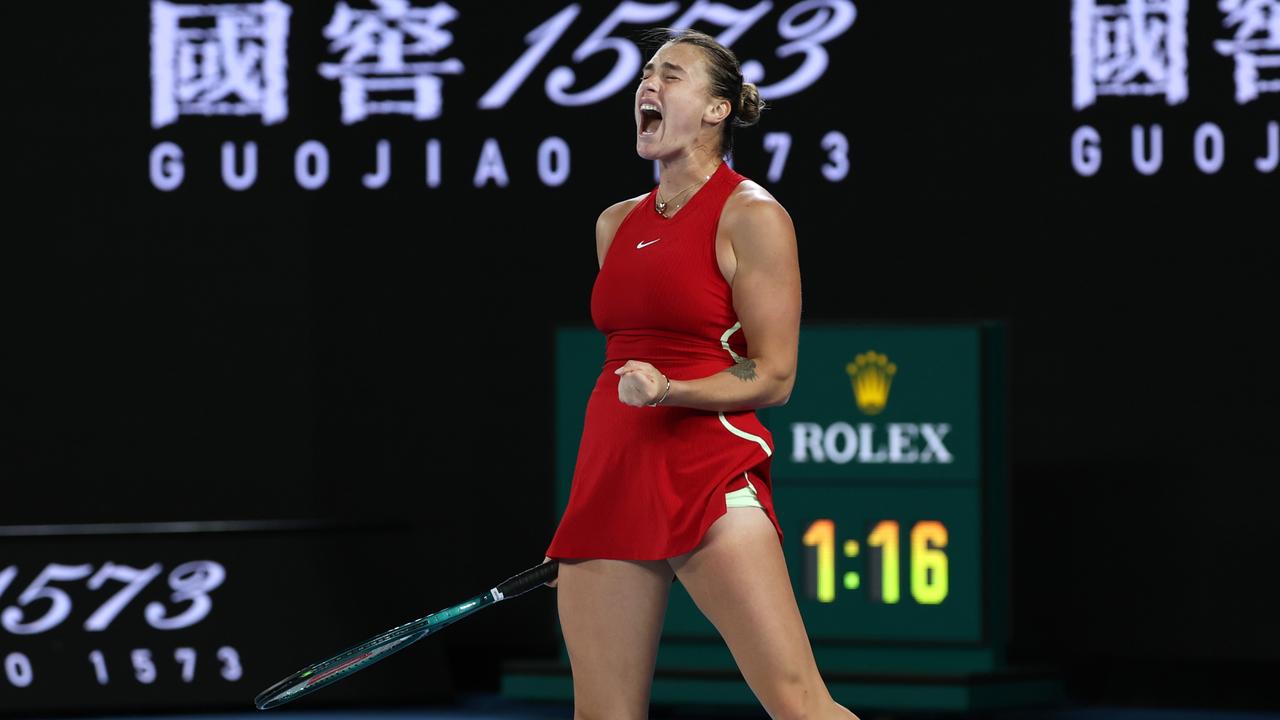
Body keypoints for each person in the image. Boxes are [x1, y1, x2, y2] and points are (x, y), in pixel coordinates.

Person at [540, 27, 860, 720]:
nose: (647, 84)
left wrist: (671, 389)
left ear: (717, 109)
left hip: (707, 470)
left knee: (800, 706)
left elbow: (775, 377)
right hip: (612, 472)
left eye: (672, 75)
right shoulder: (614, 223)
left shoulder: (754, 217)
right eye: (646, 73)